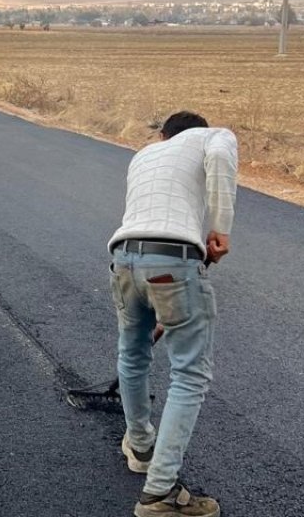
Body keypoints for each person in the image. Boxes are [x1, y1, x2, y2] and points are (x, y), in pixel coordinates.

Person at [107, 111, 238, 517]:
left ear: (164, 135)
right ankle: (160, 494)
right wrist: (219, 227)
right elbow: (220, 155)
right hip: (173, 262)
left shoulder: (145, 154)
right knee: (190, 373)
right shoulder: (212, 136)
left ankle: (140, 446)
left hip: (124, 258)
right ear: (195, 131)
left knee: (132, 354)